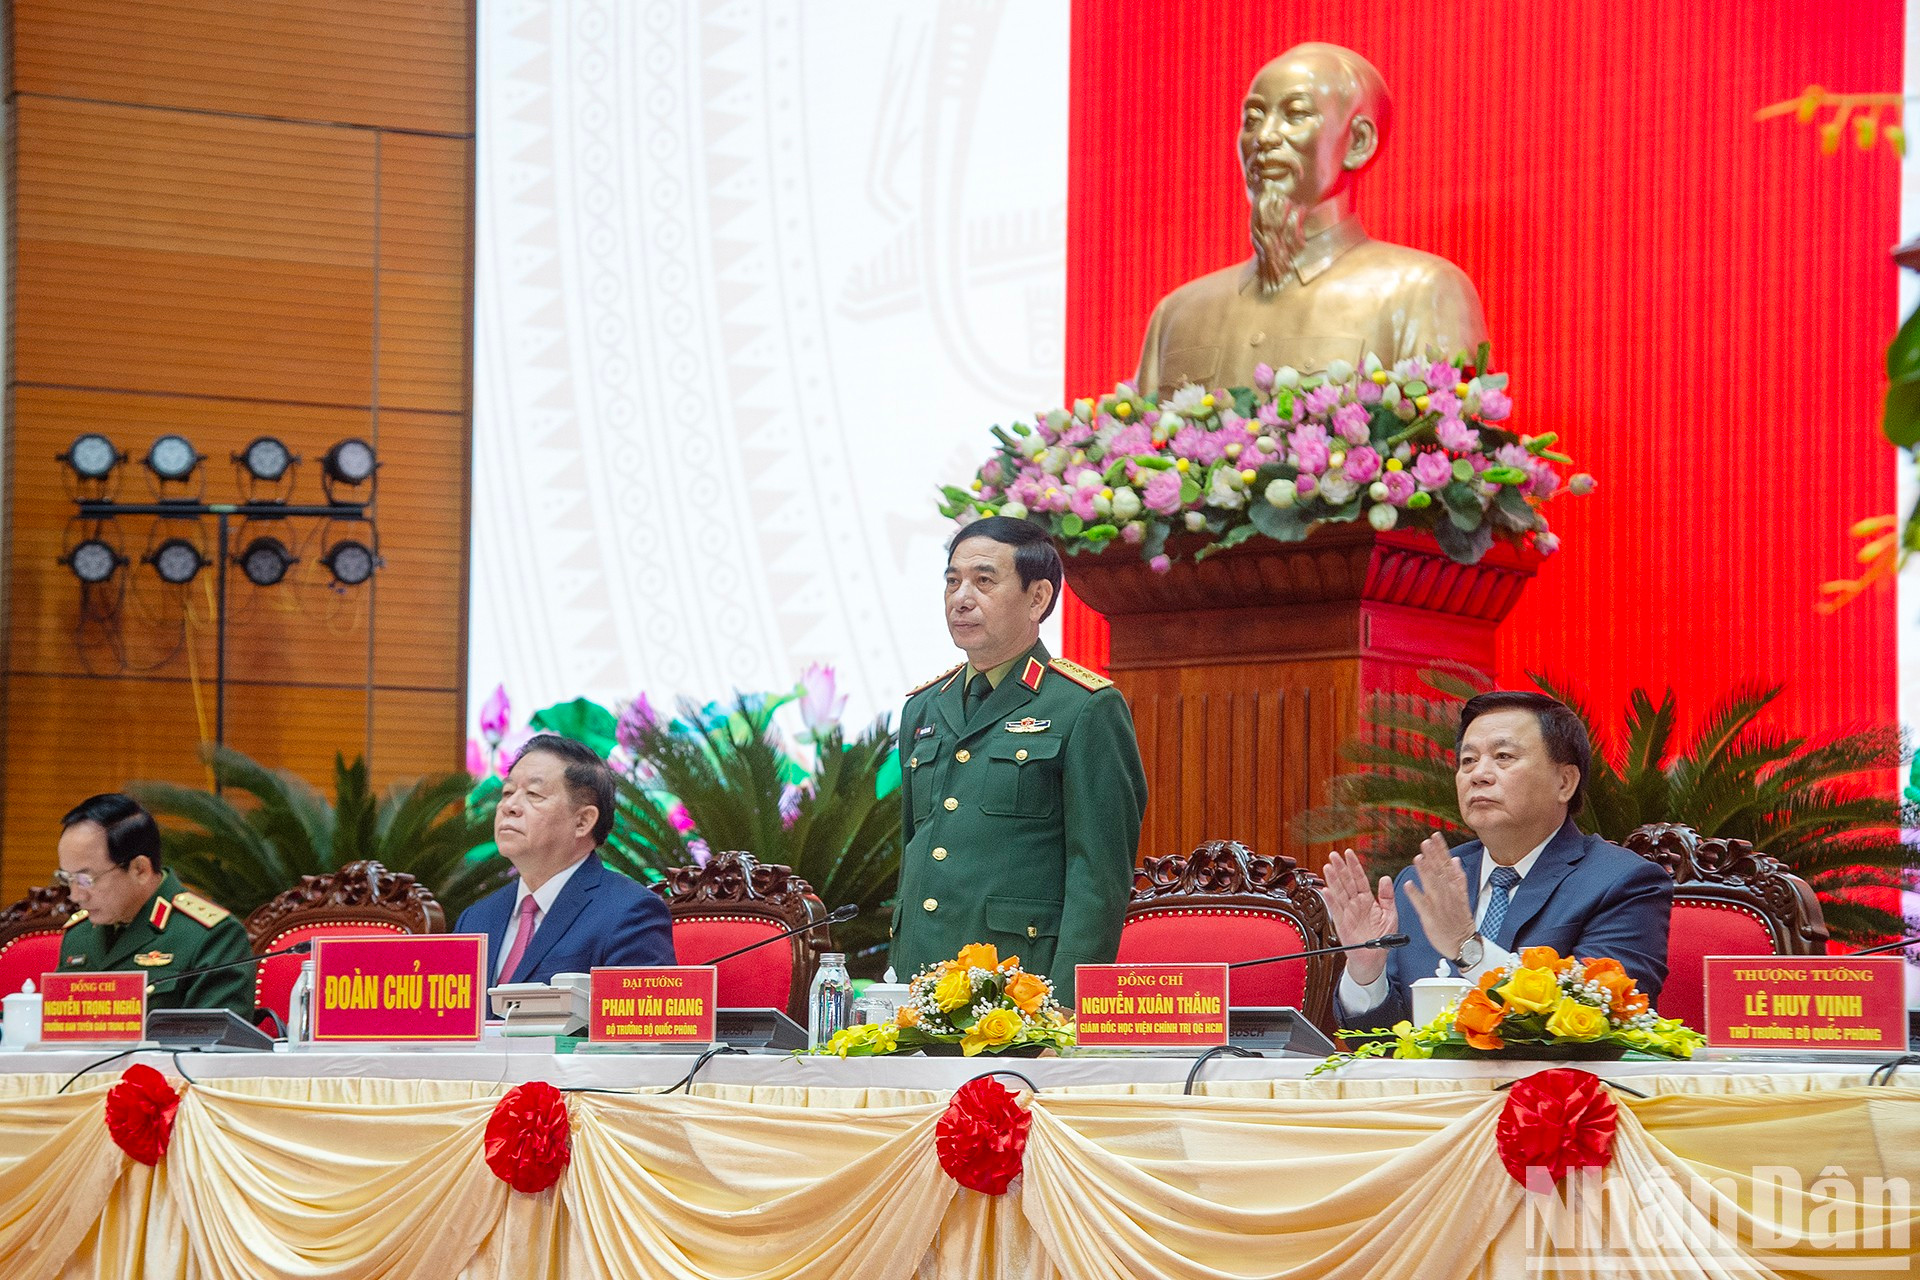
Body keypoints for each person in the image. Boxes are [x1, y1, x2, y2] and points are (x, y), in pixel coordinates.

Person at [888, 516, 1149, 1003]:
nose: (962, 598)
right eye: (952, 581)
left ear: (1038, 598)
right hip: (921, 981)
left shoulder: (1083, 706)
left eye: (984, 581)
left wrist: (1064, 1005)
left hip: (1022, 988)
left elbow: (1099, 877)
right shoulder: (922, 708)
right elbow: (916, 848)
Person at [1135, 42, 1488, 396]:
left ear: (1358, 142)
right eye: (1253, 119)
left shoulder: (1420, 293)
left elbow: (1443, 426)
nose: (1264, 137)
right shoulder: (1176, 315)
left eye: (1295, 115)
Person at [1325, 691, 1673, 1029]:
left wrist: (1469, 949)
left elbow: (1605, 1015)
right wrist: (1366, 972)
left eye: (1503, 756)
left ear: (1565, 782)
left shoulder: (1623, 882)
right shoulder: (1425, 886)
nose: (1479, 774)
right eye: (1468, 761)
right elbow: (1383, 1044)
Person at [458, 734, 675, 983]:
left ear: (582, 821)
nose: (509, 806)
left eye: (533, 794)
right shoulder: (475, 919)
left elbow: (640, 1008)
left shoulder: (630, 914)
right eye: (507, 792)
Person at [55, 794, 256, 1019]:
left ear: (140, 869)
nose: (75, 895)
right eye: (67, 878)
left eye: (85, 880)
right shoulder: (79, 935)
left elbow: (213, 1037)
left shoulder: (212, 936)